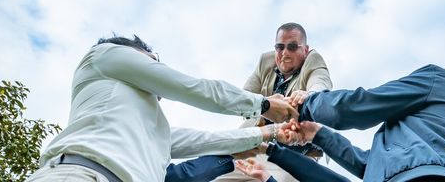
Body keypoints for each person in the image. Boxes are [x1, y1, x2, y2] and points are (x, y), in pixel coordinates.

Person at [26, 35, 297, 182]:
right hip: (83, 174)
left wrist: (266, 134)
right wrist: (262, 105)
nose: (158, 69)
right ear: (138, 55)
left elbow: (204, 140)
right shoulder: (104, 56)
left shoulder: (150, 128)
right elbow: (190, 87)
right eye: (154, 62)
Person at [269, 64, 445, 182]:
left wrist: (307, 104)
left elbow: (359, 105)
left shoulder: (439, 79)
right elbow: (372, 164)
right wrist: (317, 134)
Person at [215, 23, 333, 182]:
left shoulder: (313, 60)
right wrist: (266, 105)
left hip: (295, 156)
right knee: (218, 177)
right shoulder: (265, 61)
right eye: (280, 47)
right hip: (255, 148)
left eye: (292, 47)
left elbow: (320, 83)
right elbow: (243, 98)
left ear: (305, 50)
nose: (285, 53)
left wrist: (310, 95)